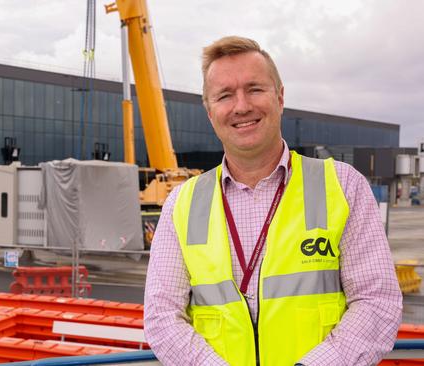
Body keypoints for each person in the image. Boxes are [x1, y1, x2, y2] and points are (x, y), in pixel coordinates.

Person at [144, 36, 402, 366]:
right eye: (225, 95)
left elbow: (376, 301)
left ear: (280, 98)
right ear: (211, 114)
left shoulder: (343, 185)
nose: (241, 106)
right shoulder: (182, 202)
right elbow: (162, 316)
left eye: (254, 89)